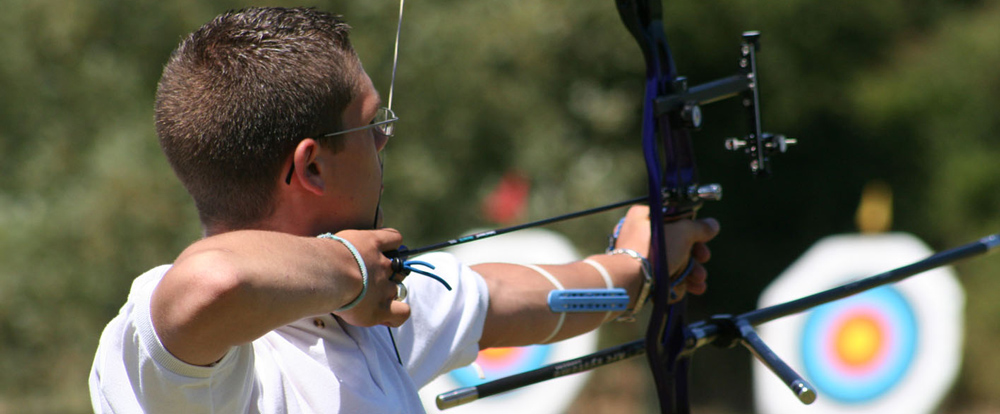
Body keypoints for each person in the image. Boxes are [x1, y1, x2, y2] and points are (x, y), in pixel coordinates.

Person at [88, 7, 720, 413]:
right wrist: (351, 273)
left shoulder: (367, 316)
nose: (385, 141)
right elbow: (214, 282)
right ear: (311, 166)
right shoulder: (166, 351)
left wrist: (636, 267)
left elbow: (523, 297)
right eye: (372, 125)